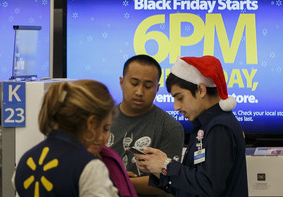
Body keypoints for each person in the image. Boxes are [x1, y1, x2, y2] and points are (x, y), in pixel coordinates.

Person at [135, 56, 248, 197]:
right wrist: (159, 172)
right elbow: (191, 186)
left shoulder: (220, 127)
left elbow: (209, 186)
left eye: (180, 97)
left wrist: (166, 165)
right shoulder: (204, 126)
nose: (176, 107)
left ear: (200, 90)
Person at [15, 79, 118, 197]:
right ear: (91, 123)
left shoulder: (25, 161)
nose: (102, 137)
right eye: (104, 128)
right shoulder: (88, 167)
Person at [108, 55, 183, 196]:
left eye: (148, 86)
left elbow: (168, 182)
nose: (139, 92)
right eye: (134, 83)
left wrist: (117, 180)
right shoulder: (102, 120)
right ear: (121, 82)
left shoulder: (170, 128)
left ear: (157, 88)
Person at [88, 119, 137, 197]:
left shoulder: (109, 157)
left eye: (106, 129)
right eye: (91, 129)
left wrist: (119, 179)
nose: (100, 137)